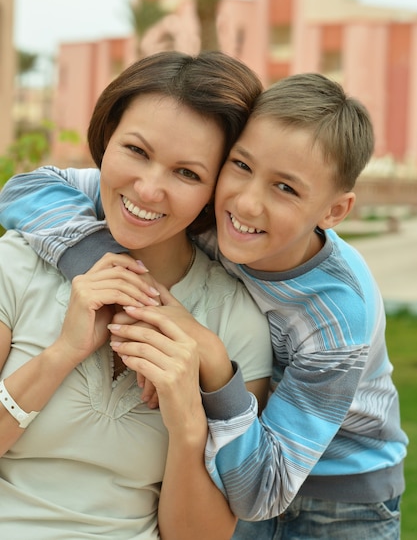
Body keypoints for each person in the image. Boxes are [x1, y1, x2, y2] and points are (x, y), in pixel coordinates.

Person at [0, 72, 408, 540]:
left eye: (286, 188)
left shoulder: (336, 316)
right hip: (238, 452)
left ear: (333, 211)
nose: (248, 202)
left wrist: (214, 364)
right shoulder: (203, 210)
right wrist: (125, 289)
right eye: (240, 165)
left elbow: (262, 492)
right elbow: (27, 190)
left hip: (337, 491)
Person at [0, 50, 273, 540]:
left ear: (218, 189)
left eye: (187, 173)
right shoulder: (16, 264)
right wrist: (61, 355)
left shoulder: (235, 322)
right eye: (136, 151)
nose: (148, 190)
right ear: (106, 140)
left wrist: (187, 411)